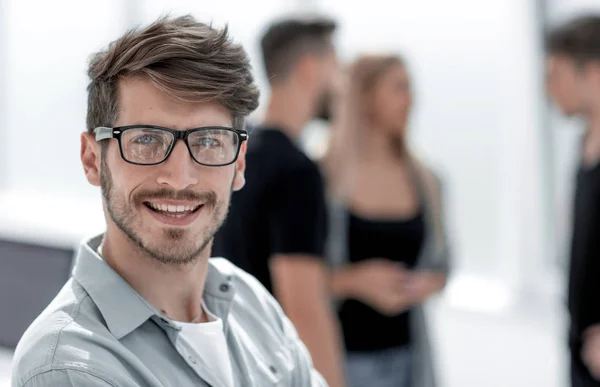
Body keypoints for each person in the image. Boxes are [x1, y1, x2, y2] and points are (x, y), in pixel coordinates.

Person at [11, 15, 326, 387]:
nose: (180, 179)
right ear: (93, 159)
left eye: (209, 141)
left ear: (239, 163)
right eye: (146, 140)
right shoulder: (67, 367)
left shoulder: (250, 302)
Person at [211, 15, 346, 387]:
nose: (342, 83)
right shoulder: (297, 171)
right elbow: (304, 307)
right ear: (309, 69)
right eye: (336, 67)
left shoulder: (236, 149)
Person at [322, 54, 451, 387]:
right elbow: (290, 279)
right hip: (341, 361)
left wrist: (423, 284)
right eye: (399, 88)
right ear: (365, 97)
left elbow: (443, 267)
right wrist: (353, 281)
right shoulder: (323, 178)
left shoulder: (428, 181)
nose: (411, 100)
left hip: (412, 360)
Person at [546, 15, 600, 387]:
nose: (549, 88)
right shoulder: (583, 145)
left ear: (593, 72)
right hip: (581, 353)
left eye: (556, 74)